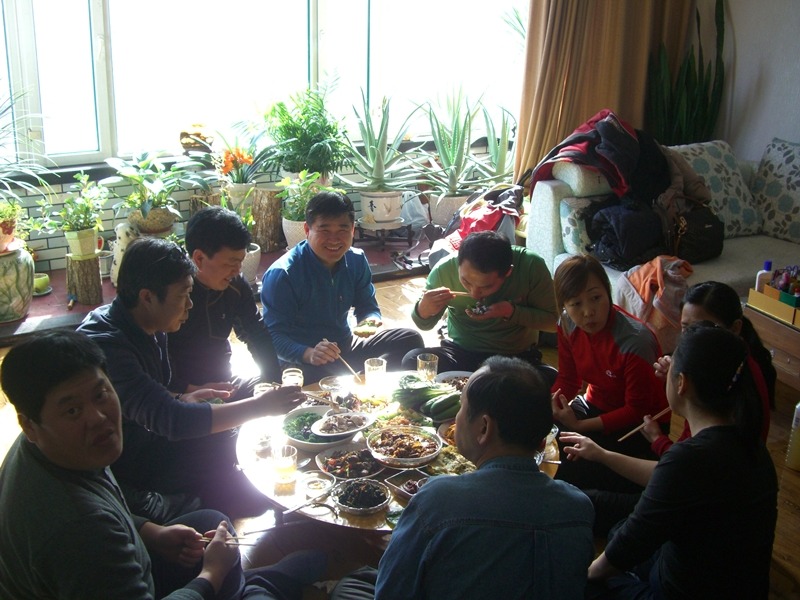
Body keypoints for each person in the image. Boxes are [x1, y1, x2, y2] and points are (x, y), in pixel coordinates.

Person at [0, 330, 326, 600]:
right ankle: (259, 587)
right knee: (225, 563)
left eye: (100, 395)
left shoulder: (41, 448)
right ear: (30, 425)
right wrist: (211, 574)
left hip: (122, 567)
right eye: (72, 411)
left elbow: (108, 507)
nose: (98, 418)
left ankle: (253, 584)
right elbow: (93, 528)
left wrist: (151, 533)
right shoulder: (80, 531)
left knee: (210, 523)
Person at [77, 237, 305, 523]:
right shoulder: (107, 346)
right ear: (147, 297)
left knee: (237, 428)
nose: (190, 304)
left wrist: (182, 396)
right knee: (249, 486)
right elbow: (171, 420)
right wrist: (261, 406)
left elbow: (150, 398)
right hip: (127, 463)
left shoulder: (147, 322)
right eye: (183, 295)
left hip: (153, 435)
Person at [330, 356, 595, 600]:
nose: (456, 418)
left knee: (350, 586)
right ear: (541, 441)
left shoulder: (437, 500)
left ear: (484, 428)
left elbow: (391, 593)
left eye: (460, 408)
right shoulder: (579, 506)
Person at [569, 325, 777, 599]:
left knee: (579, 581)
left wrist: (581, 576)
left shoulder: (690, 458)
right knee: (618, 528)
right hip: (741, 588)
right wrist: (601, 454)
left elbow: (624, 550)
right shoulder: (752, 445)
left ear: (681, 384)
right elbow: (667, 482)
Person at [261, 191, 423, 383]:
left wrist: (370, 321)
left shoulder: (356, 260)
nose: (334, 239)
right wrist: (309, 354)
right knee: (301, 377)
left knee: (409, 340)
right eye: (324, 230)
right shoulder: (283, 274)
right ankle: (354, 380)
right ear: (307, 229)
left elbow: (367, 306)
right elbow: (272, 337)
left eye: (342, 230)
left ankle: (363, 383)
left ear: (353, 230)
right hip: (303, 361)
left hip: (344, 350)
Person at [550, 254, 668, 492]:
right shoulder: (567, 323)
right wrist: (547, 407)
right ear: (564, 306)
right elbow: (569, 380)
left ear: (608, 292)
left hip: (641, 426)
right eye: (575, 304)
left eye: (596, 298)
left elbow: (636, 410)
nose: (588, 312)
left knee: (576, 468)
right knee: (547, 444)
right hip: (596, 405)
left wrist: (580, 426)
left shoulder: (635, 341)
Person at [400, 231, 559, 380]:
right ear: (458, 263)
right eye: (466, 282)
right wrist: (423, 309)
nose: (475, 294)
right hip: (460, 353)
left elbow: (554, 323)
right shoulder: (444, 270)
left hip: (516, 358)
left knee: (551, 379)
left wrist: (511, 312)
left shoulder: (530, 265)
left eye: (486, 286)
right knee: (412, 360)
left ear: (508, 272)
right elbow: (424, 324)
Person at [645, 280, 775, 453]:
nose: (692, 338)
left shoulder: (731, 380)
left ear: (735, 328)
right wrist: (674, 376)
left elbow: (693, 460)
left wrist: (658, 440)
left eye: (703, 328)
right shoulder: (721, 363)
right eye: (686, 328)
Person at [168, 206, 281, 399]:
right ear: (199, 258)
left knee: (284, 378)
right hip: (180, 394)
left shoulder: (235, 285)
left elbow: (256, 333)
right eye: (230, 263)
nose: (237, 270)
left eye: (240, 262)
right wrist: (189, 389)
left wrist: (275, 383)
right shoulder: (170, 292)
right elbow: (155, 364)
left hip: (224, 385)